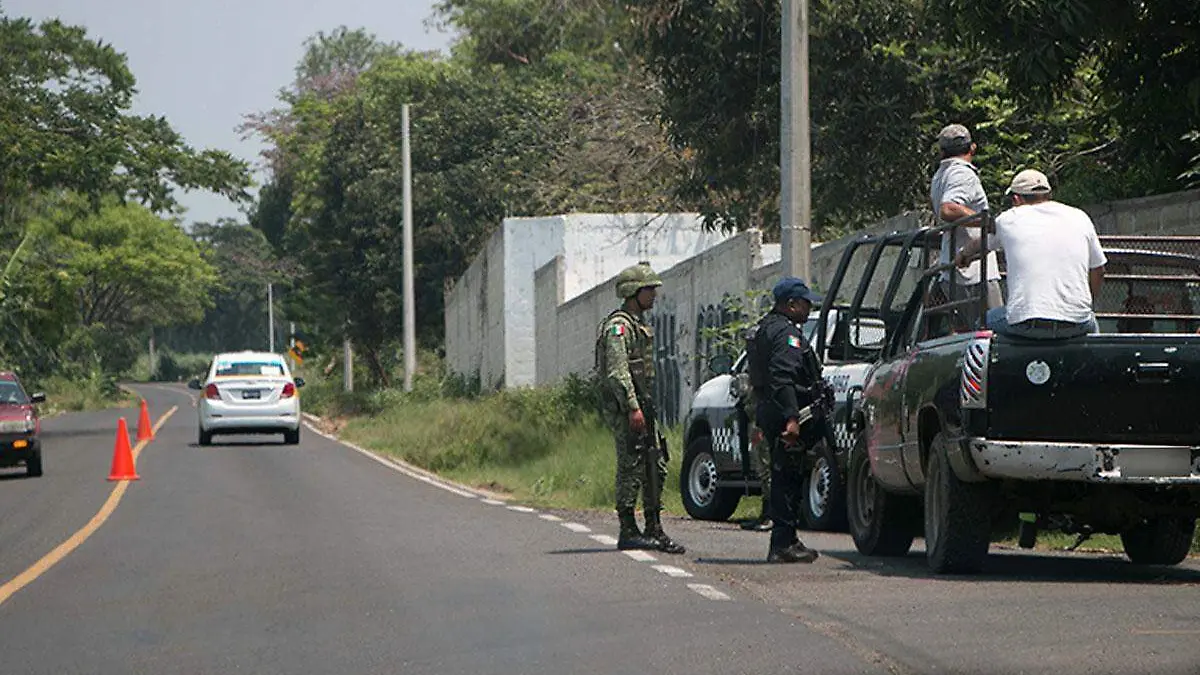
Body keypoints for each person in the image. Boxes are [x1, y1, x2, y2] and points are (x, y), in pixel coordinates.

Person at [595, 262, 685, 554]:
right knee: (631, 467)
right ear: (634, 292)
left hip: (643, 406)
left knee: (655, 465)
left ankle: (654, 527)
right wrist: (633, 408)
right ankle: (628, 529)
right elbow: (617, 373)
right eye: (649, 290)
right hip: (627, 409)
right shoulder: (618, 327)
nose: (654, 295)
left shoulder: (638, 325)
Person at [955, 169, 1107, 339]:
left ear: (1016, 198)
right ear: (1049, 195)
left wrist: (963, 256)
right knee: (1091, 321)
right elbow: (1098, 270)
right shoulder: (1080, 217)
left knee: (983, 323)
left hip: (1026, 323)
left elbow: (980, 245)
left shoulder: (1008, 219)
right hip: (1077, 323)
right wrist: (1084, 305)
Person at [746, 277, 825, 563]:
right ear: (791, 305)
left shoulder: (767, 327)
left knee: (787, 475)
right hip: (785, 413)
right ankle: (782, 543)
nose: (809, 308)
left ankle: (787, 539)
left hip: (771, 408)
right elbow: (782, 376)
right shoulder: (785, 334)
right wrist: (792, 418)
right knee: (787, 477)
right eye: (805, 303)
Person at [930, 124, 1003, 309]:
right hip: (975, 271)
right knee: (994, 331)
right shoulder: (962, 173)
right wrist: (986, 222)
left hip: (954, 269)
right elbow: (949, 209)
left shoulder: (941, 175)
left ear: (942, 151)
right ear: (972, 148)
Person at [733, 366, 771, 532]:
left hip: (763, 416)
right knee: (762, 467)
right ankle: (766, 513)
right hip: (756, 416)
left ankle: (770, 515)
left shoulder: (770, 348)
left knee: (766, 468)